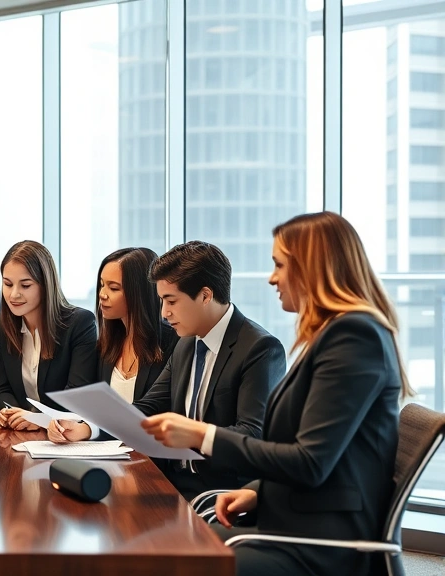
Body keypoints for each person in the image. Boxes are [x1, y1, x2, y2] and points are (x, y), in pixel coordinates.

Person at [143, 212, 407, 576]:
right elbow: (314, 453)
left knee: (171, 560)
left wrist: (202, 434)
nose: (272, 278)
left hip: (321, 543)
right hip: (293, 519)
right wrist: (257, 492)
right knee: (161, 548)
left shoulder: (353, 337)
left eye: (280, 265)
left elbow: (310, 462)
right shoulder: (335, 336)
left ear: (315, 268)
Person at [128, 241, 286, 499]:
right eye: (161, 301)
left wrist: (193, 435)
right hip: (174, 484)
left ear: (205, 295)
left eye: (171, 301)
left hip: (223, 494)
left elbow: (253, 434)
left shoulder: (260, 349)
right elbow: (149, 406)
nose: (164, 313)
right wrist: (89, 425)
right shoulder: (186, 343)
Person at [47, 247, 178, 443]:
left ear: (139, 293)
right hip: (110, 455)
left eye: (114, 288)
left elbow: (155, 412)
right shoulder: (106, 344)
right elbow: (93, 411)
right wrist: (63, 424)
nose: (102, 294)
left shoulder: (174, 342)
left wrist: (89, 430)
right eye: (102, 285)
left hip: (152, 458)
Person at [0, 240, 96, 430]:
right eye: (8, 284)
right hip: (21, 435)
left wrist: (38, 419)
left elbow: (76, 395)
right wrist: (11, 414)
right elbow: (0, 389)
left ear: (45, 285)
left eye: (25, 285)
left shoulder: (80, 324)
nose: (14, 294)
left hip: (64, 435)